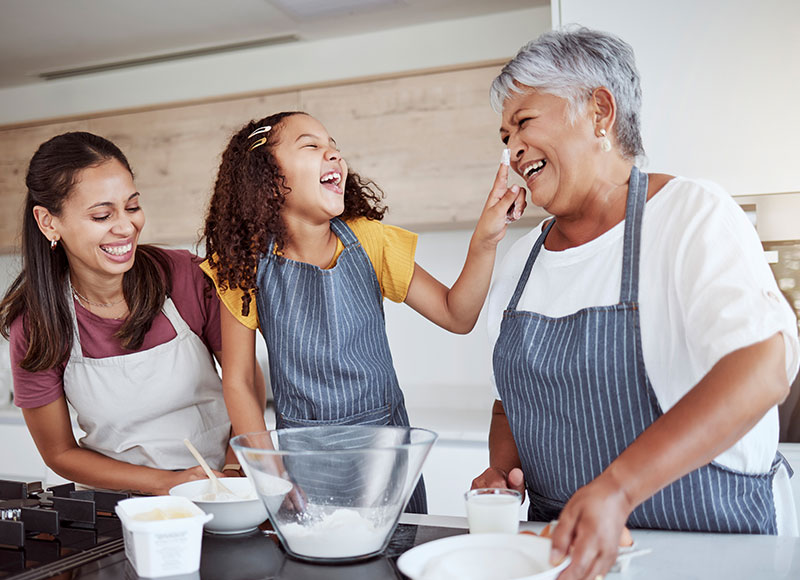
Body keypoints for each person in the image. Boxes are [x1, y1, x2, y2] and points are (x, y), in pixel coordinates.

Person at [470, 27, 800, 580]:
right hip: (567, 560)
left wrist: (617, 490)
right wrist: (502, 472)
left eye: (524, 122)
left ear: (600, 111)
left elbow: (762, 369)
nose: (512, 148)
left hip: (710, 553)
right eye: (505, 135)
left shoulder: (690, 215)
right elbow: (510, 405)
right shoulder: (517, 264)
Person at [201, 111, 526, 513]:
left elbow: (456, 315)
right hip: (303, 465)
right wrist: (272, 475)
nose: (333, 154)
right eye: (311, 146)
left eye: (333, 146)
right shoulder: (241, 263)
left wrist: (485, 239)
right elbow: (236, 381)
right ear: (267, 179)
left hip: (386, 457)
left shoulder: (371, 240)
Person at [0, 132, 255, 495]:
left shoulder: (184, 275)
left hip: (221, 487)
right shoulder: (36, 324)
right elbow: (59, 451)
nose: (126, 227)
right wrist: (167, 484)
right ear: (48, 222)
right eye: (102, 215)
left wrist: (235, 466)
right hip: (115, 506)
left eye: (132, 207)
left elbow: (245, 378)